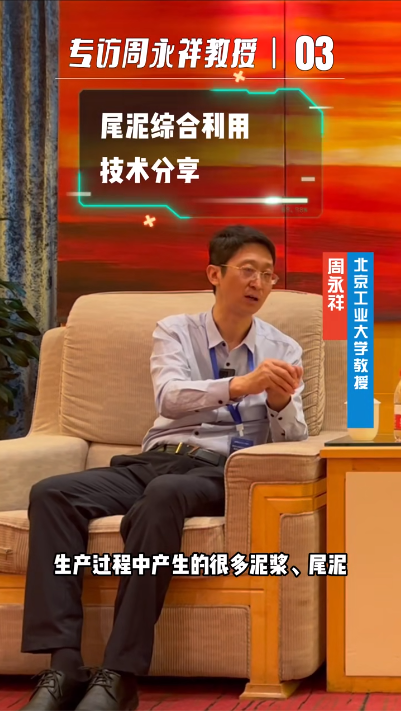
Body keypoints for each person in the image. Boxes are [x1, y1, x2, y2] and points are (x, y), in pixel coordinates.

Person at [21, 224, 308, 711]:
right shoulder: (175, 330)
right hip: (155, 458)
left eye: (268, 274)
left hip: (218, 470)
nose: (258, 282)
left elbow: (293, 439)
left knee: (165, 495)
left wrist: (280, 403)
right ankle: (64, 664)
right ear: (214, 274)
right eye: (248, 270)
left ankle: (120, 672)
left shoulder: (283, 349)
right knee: (52, 493)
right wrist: (240, 386)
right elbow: (169, 397)